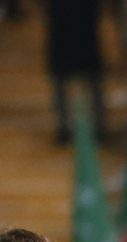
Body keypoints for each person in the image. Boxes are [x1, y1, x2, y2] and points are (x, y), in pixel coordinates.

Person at [45, 0, 106, 144]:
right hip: (65, 18)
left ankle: (97, 125)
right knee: (62, 73)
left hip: (79, 19)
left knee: (90, 73)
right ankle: (65, 126)